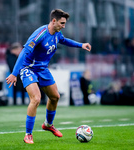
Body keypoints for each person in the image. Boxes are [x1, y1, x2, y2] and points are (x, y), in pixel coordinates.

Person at [6, 9, 91, 144]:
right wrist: (14, 73)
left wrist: (81, 45)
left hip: (42, 69)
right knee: (36, 99)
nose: (64, 26)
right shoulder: (40, 34)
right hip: (28, 69)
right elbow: (23, 52)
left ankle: (48, 125)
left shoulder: (57, 33)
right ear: (53, 21)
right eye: (62, 23)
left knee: (55, 97)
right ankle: (28, 134)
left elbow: (64, 40)